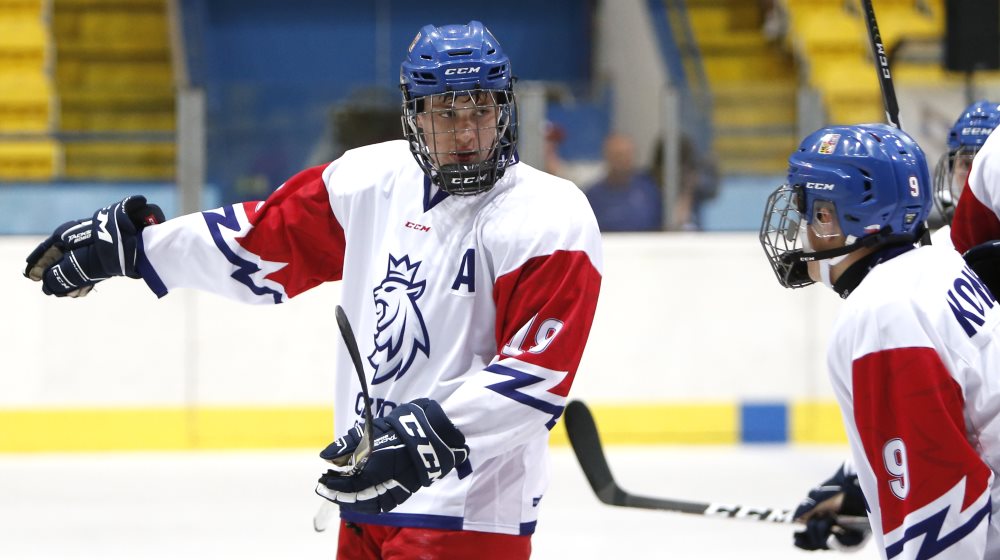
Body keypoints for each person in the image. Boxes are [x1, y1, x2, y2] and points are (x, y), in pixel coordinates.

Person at [23, 21, 603, 560]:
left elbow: (538, 373)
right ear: (414, 117)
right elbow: (261, 243)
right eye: (444, 114)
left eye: (480, 109)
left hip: (469, 505)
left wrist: (424, 440)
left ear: (506, 108)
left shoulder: (549, 214)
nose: (466, 132)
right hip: (369, 490)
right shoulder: (370, 180)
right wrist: (139, 250)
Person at [760, 123, 1000, 558]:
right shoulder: (935, 270)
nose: (798, 223)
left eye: (806, 205)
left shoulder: (883, 312)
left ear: (832, 217)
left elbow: (943, 496)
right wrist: (866, 501)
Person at [584, 132, 663, 232]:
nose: (623, 160)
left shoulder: (649, 190)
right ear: (607, 156)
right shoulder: (592, 197)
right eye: (618, 155)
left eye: (627, 154)